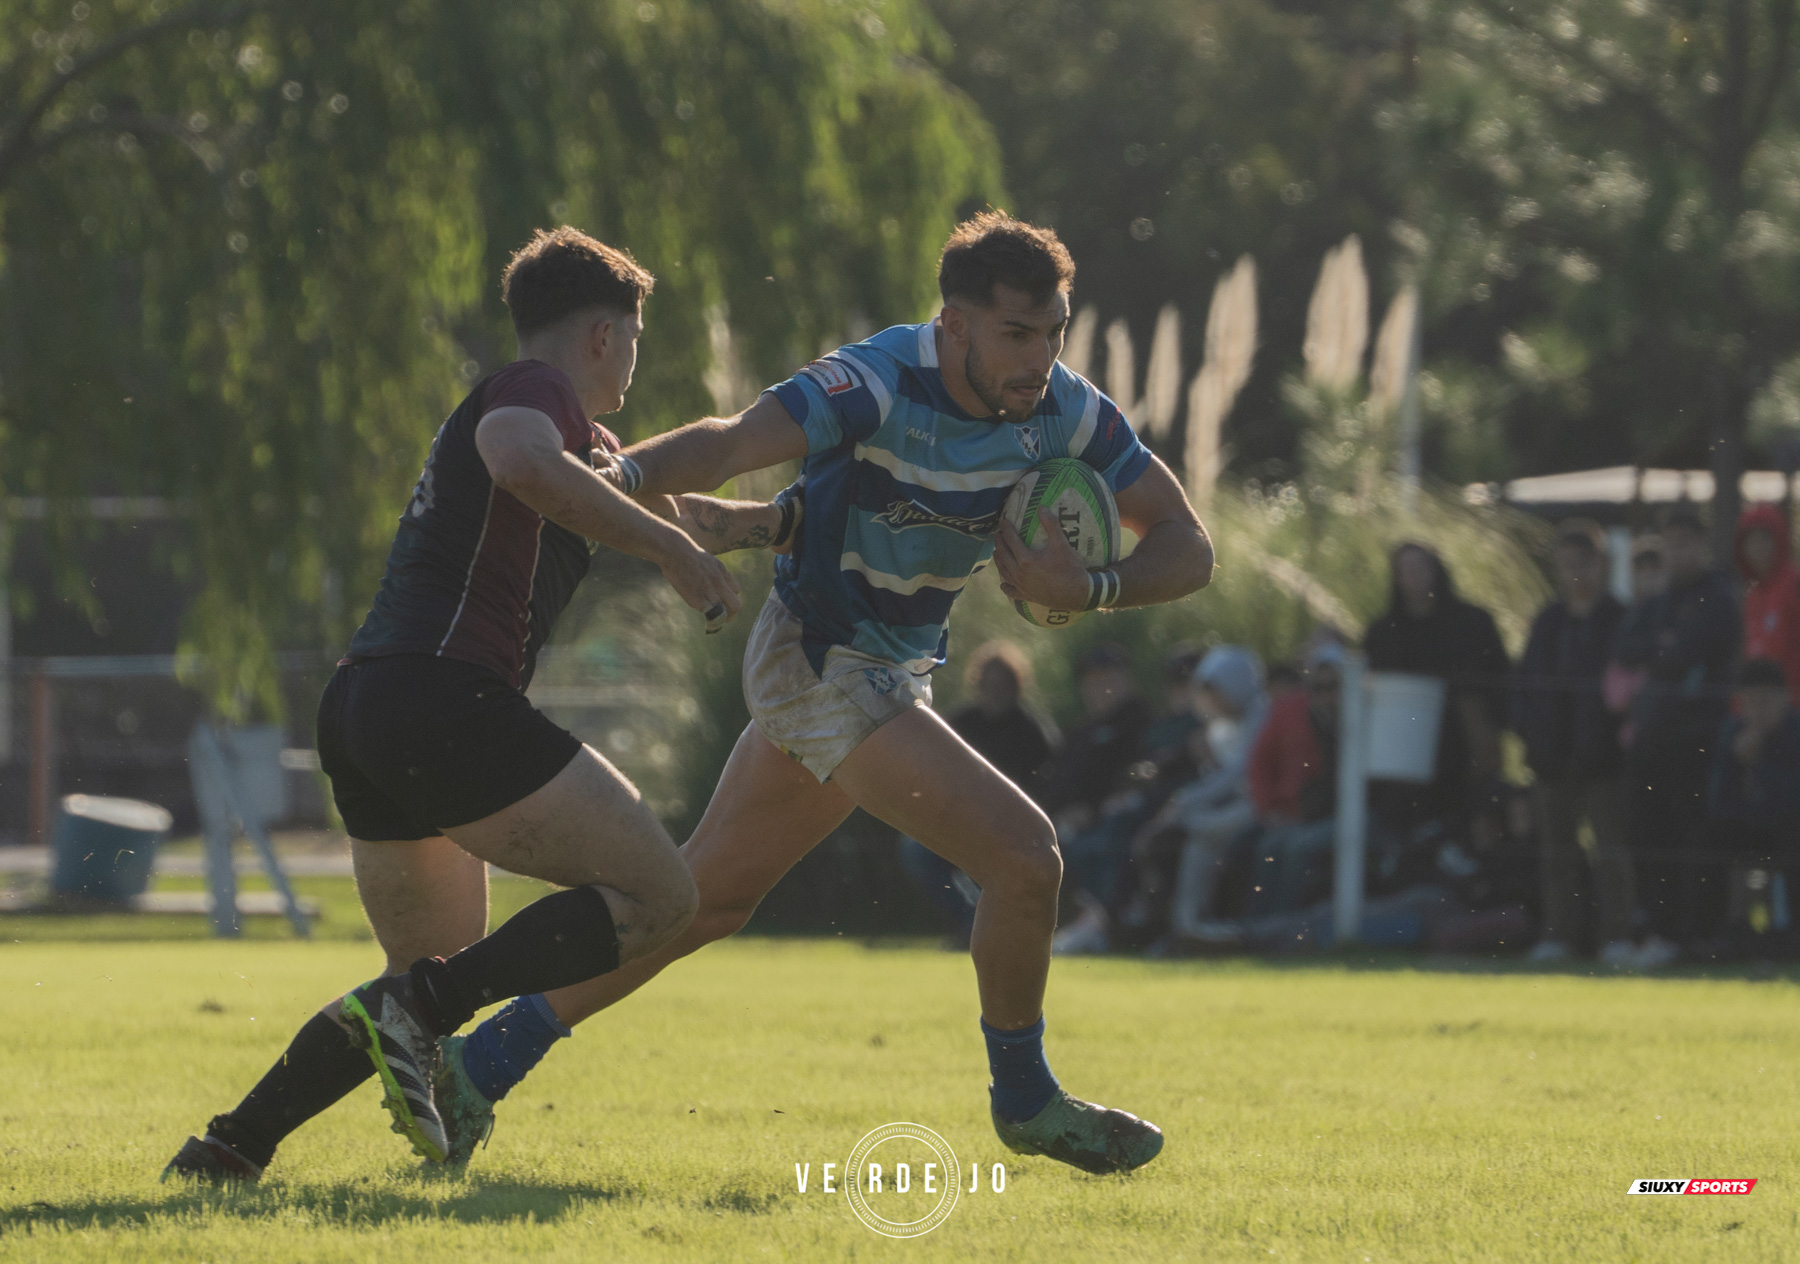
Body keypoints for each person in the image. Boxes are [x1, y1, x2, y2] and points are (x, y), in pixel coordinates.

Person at [437, 212, 1214, 1173]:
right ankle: (1025, 1099)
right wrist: (623, 473)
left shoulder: (1068, 411)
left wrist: (1091, 587)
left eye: (1055, 333)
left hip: (888, 673)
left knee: (703, 901)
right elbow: (728, 441)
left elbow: (1189, 547)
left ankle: (482, 1060)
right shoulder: (880, 377)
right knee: (1025, 859)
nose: (1039, 360)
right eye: (1018, 334)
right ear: (956, 324)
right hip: (821, 656)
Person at [163, 228, 787, 1182]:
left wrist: (792, 523)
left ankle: (231, 1147)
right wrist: (670, 555)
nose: (634, 359)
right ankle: (416, 1021)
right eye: (634, 337)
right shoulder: (532, 393)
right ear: (600, 337)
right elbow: (519, 460)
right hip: (445, 700)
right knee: (664, 897)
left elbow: (684, 519)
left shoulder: (588, 442)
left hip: (369, 704)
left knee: (428, 985)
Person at [1612, 508, 1742, 966]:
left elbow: (1687, 651)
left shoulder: (1718, 596)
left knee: (1696, 837)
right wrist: (1664, 645)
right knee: (1647, 832)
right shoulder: (1659, 602)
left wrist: (1665, 647)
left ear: (1701, 545)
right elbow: (1627, 649)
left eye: (1685, 542)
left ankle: (1698, 938)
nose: (1676, 551)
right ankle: (1660, 932)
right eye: (1669, 542)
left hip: (1700, 737)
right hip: (1655, 736)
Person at [1511, 521, 1633, 966]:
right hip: (1551, 760)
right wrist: (1532, 740)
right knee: (1556, 855)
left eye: (1584, 564)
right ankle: (1559, 935)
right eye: (1566, 566)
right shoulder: (1547, 622)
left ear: (1599, 565)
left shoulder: (1619, 620)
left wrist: (1601, 744)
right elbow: (1526, 686)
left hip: (1603, 762)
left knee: (1611, 850)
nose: (1575, 574)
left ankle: (1616, 936)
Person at [900, 640, 1058, 947]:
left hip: (1013, 827)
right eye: (989, 683)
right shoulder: (960, 723)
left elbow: (1048, 784)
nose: (995, 691)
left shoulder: (1032, 731)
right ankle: (973, 925)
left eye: (1003, 685)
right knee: (916, 851)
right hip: (959, 820)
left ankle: (999, 929)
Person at [1363, 543, 1511, 855]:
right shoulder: (1384, 631)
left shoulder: (1472, 623)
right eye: (1406, 570)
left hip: (1463, 746)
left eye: (1421, 568)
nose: (1415, 577)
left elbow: (1497, 682)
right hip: (1404, 755)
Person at [1241, 643, 1342, 918]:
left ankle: (1282, 925)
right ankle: (1258, 925)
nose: (1327, 696)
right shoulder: (1296, 711)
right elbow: (1259, 761)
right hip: (1294, 812)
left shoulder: (1359, 719)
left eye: (1334, 686)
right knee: (1267, 846)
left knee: (1296, 846)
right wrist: (1268, 810)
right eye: (1318, 688)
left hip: (1330, 816)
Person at [1736, 504, 1800, 705]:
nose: (1758, 548)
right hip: (1759, 711)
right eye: (1751, 540)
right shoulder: (1753, 596)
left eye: (1765, 539)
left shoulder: (1794, 584)